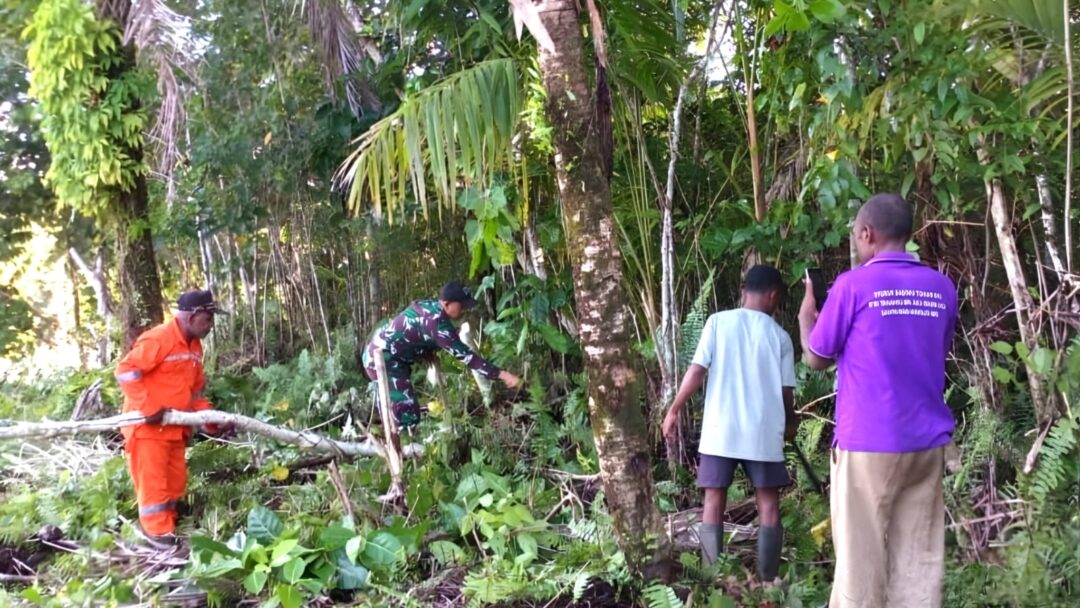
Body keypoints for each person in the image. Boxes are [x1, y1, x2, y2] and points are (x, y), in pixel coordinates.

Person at [797, 193, 958, 608]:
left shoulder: (852, 286)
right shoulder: (941, 288)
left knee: (859, 566)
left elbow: (817, 356)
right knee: (919, 563)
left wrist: (805, 322)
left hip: (868, 442)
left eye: (855, 234)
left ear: (867, 234)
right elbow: (934, 354)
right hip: (927, 442)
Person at [662, 265, 797, 581]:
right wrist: (790, 424)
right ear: (773, 295)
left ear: (743, 290)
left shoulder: (717, 323)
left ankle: (712, 579)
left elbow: (696, 372)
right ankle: (767, 584)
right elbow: (786, 392)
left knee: (713, 501)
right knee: (769, 505)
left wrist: (674, 409)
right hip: (763, 433)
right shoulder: (780, 337)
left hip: (720, 430)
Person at [114, 290, 232, 550]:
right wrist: (149, 406)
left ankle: (172, 527)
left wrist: (210, 421)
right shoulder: (159, 338)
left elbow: (194, 393)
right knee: (155, 486)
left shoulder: (194, 348)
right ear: (191, 316)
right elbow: (126, 371)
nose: (210, 324)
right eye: (208, 318)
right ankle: (159, 538)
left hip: (175, 429)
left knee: (175, 483)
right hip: (147, 429)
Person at [363, 281, 521, 428]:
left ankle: (403, 447)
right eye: (461, 305)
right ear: (446, 304)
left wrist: (429, 349)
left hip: (388, 356)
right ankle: (404, 452)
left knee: (400, 412)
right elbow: (469, 358)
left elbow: (419, 327)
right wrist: (504, 375)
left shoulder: (432, 307)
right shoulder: (438, 325)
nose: (464, 309)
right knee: (406, 415)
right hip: (383, 360)